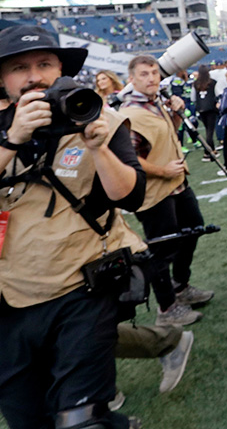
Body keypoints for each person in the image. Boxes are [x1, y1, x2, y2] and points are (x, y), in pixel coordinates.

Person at [0, 25, 147, 429]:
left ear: (60, 69)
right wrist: (13, 138)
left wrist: (98, 148)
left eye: (44, 64)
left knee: (83, 420)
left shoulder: (96, 113)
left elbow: (131, 196)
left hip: (81, 289)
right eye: (19, 68)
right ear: (2, 79)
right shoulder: (2, 128)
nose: (33, 77)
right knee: (26, 419)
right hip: (10, 301)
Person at [121, 55, 213, 326]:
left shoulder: (156, 102)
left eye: (154, 73)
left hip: (177, 184)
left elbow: (168, 134)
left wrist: (174, 113)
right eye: (144, 74)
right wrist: (162, 171)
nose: (151, 78)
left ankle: (180, 285)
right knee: (161, 249)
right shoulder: (129, 113)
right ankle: (166, 308)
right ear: (132, 80)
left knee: (194, 228)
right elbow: (129, 158)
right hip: (154, 191)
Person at [192, 65, 219, 161]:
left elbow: (193, 98)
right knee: (210, 131)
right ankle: (208, 152)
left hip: (201, 109)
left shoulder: (195, 83)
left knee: (208, 130)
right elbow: (217, 94)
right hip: (211, 108)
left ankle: (212, 150)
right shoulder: (212, 82)